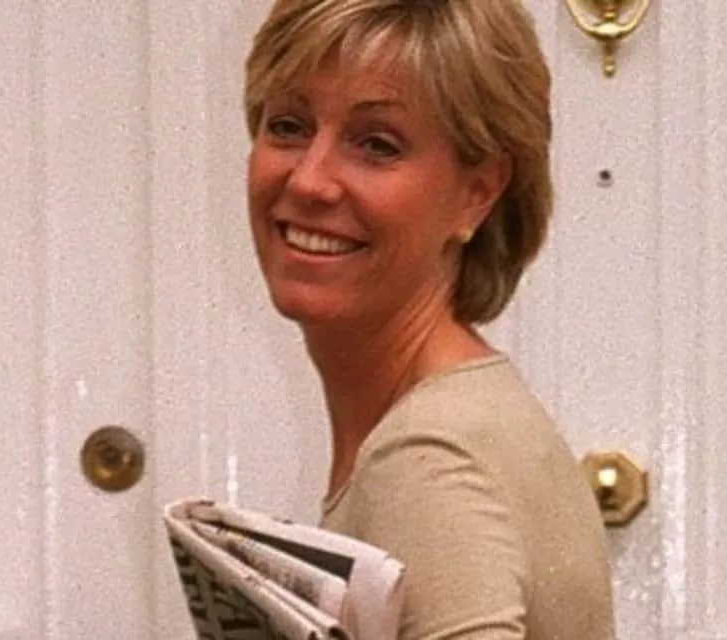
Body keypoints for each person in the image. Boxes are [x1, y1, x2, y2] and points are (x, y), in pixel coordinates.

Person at [243, 0, 615, 637]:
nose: (308, 181)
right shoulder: (462, 414)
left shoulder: (426, 460)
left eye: (376, 145)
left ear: (477, 193)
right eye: (288, 126)